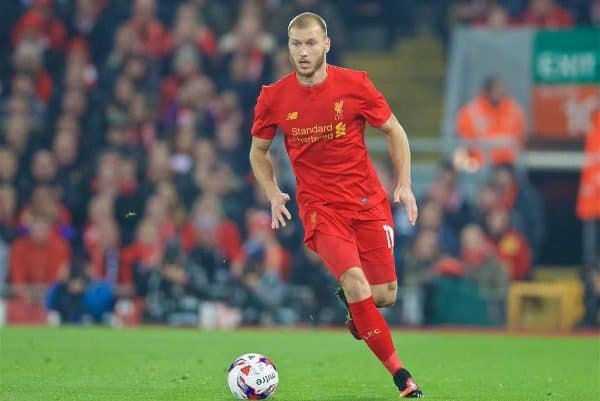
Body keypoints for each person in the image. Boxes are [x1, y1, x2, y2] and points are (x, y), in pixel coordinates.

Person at [249, 12, 423, 398]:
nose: (303, 52)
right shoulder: (273, 96)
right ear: (288, 47)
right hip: (320, 209)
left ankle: (356, 311)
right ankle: (402, 378)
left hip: (366, 201)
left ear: (326, 44)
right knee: (356, 282)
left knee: (384, 296)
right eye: (296, 44)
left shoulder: (356, 84)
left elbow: (394, 130)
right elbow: (258, 151)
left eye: (311, 43)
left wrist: (405, 185)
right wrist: (273, 191)